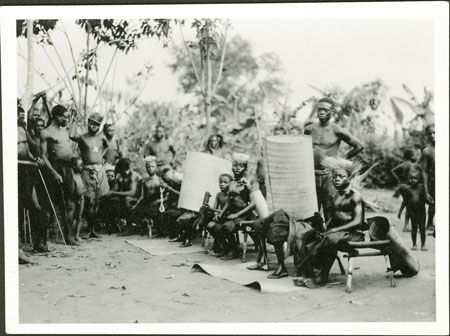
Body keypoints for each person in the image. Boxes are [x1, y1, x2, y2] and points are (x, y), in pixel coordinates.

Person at [295, 157, 365, 289]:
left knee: (330, 238)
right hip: (337, 234)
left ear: (349, 179)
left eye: (341, 176)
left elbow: (358, 221)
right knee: (311, 236)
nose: (336, 179)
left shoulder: (355, 196)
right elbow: (333, 217)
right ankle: (309, 272)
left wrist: (332, 231)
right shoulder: (335, 196)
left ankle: (322, 278)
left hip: (354, 234)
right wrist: (324, 226)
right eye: (334, 177)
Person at [304, 97, 364, 222]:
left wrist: (341, 160)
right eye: (319, 109)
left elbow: (359, 146)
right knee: (311, 211)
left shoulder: (337, 130)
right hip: (311, 174)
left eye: (325, 110)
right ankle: (314, 239)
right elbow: (302, 148)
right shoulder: (309, 129)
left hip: (329, 175)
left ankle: (330, 238)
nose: (321, 112)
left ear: (332, 112)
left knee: (330, 209)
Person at [40, 105, 79, 246]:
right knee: (52, 204)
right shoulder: (46, 133)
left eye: (68, 117)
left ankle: (68, 237)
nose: (67, 120)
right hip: (55, 168)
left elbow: (72, 139)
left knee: (69, 203)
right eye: (65, 117)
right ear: (57, 117)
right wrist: (54, 173)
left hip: (68, 168)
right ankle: (45, 239)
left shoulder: (64, 131)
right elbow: (43, 156)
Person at [69, 112, 110, 238]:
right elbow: (70, 135)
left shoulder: (101, 138)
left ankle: (93, 230)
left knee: (98, 202)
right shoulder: (82, 137)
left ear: (99, 127)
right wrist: (74, 120)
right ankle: (87, 229)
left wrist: (101, 158)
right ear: (88, 124)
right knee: (90, 201)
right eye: (91, 123)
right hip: (87, 171)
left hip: (100, 171)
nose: (93, 126)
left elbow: (107, 147)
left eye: (96, 125)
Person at [18, 107, 46, 262]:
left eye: (23, 116)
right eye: (19, 115)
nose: (22, 118)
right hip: (16, 168)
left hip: (26, 169)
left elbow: (29, 151)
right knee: (19, 210)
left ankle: (37, 243)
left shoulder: (23, 130)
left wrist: (35, 159)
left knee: (35, 208)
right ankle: (18, 249)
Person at [218, 153, 259, 260]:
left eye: (240, 166)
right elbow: (229, 201)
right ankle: (228, 248)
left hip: (245, 214)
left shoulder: (248, 182)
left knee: (227, 226)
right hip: (233, 212)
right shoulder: (231, 183)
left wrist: (236, 214)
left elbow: (253, 204)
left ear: (245, 168)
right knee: (215, 225)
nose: (237, 168)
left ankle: (233, 252)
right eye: (235, 165)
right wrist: (221, 213)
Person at [103, 158, 140, 236]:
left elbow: (132, 192)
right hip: (124, 198)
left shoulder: (133, 176)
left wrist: (114, 193)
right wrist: (110, 193)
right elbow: (114, 189)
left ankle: (130, 227)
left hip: (137, 199)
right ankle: (113, 225)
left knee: (127, 199)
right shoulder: (121, 176)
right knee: (108, 199)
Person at [130, 156, 163, 235]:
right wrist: (137, 203)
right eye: (148, 167)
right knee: (134, 210)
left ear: (156, 167)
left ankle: (156, 228)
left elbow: (165, 195)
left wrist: (159, 201)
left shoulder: (159, 180)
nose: (150, 169)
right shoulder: (144, 180)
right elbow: (142, 194)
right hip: (147, 201)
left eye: (152, 166)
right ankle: (142, 226)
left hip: (157, 203)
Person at [397, 170, 427, 251]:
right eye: (411, 178)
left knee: (422, 228)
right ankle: (414, 244)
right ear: (408, 179)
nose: (413, 180)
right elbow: (404, 201)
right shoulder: (407, 189)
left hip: (422, 212)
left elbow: (426, 198)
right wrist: (400, 211)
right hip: (412, 212)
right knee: (414, 228)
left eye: (415, 178)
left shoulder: (422, 188)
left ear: (419, 179)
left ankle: (423, 245)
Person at [392, 147, 419, 232]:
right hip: (408, 186)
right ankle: (406, 226)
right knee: (410, 206)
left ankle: (404, 221)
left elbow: (393, 171)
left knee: (407, 204)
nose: (415, 156)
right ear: (411, 156)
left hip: (402, 186)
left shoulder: (403, 163)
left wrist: (399, 179)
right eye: (414, 155)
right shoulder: (411, 165)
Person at [205, 174, 233, 255]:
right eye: (220, 182)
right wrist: (211, 210)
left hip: (229, 217)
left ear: (231, 184)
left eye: (225, 182)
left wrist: (217, 211)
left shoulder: (231, 195)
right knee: (209, 225)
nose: (222, 184)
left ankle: (224, 247)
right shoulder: (219, 195)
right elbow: (215, 209)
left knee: (218, 227)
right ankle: (224, 244)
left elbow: (229, 210)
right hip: (221, 217)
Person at [67, 157, 86, 242]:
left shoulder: (80, 175)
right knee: (70, 216)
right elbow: (70, 189)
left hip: (81, 197)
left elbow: (82, 186)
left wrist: (83, 191)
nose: (82, 167)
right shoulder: (71, 175)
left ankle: (77, 235)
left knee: (79, 217)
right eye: (80, 165)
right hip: (73, 198)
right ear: (74, 166)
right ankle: (68, 236)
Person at [421, 124, 435, 236]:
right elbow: (424, 171)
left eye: (434, 132)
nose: (432, 135)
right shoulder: (427, 151)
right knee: (433, 204)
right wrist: (426, 191)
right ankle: (429, 223)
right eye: (430, 133)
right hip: (434, 182)